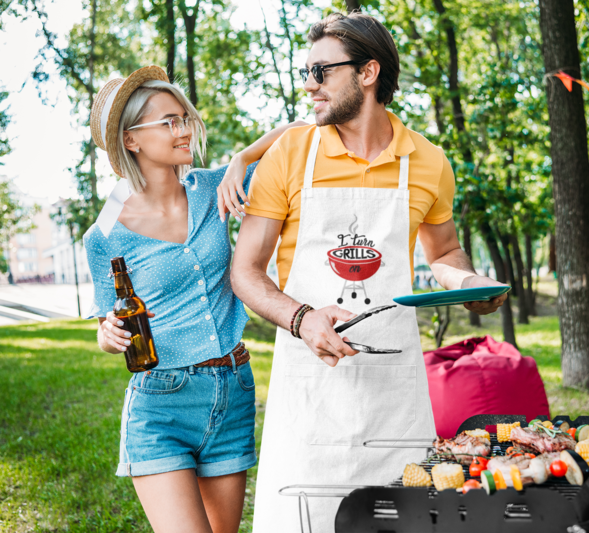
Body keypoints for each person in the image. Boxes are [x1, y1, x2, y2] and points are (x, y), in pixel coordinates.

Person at [230, 13, 507, 532]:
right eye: (305, 71)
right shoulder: (290, 154)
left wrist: (470, 286)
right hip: (309, 391)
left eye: (321, 71)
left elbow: (444, 251)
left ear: (367, 72)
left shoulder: (427, 161)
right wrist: (302, 319)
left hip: (394, 395)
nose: (307, 84)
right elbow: (245, 271)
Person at [83, 65, 304, 533]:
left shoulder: (212, 190)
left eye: (184, 118)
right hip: (161, 402)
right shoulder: (103, 236)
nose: (183, 130)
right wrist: (108, 334)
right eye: (167, 122)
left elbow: (300, 128)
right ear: (131, 141)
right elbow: (109, 327)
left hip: (233, 388)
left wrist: (243, 157)